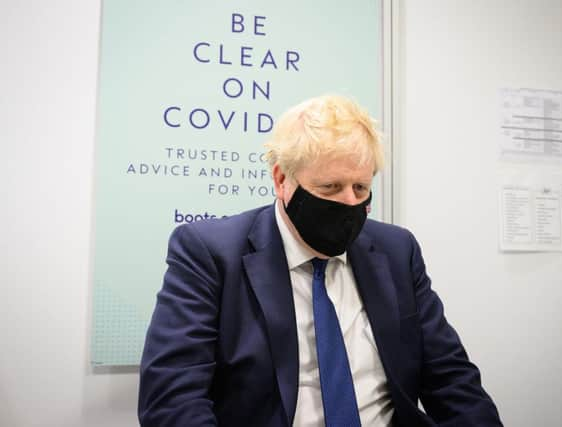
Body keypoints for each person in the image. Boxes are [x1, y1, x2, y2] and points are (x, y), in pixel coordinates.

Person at [138, 95, 502, 427]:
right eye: (330, 188)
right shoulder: (210, 252)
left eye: (360, 188)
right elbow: (172, 400)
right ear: (282, 180)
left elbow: (453, 380)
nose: (348, 203)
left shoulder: (396, 251)